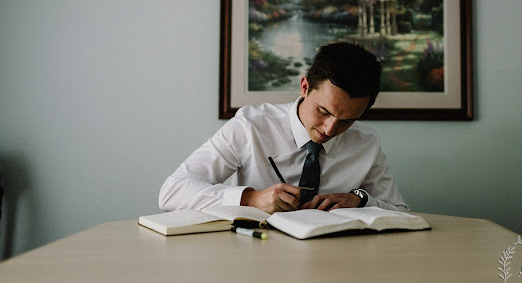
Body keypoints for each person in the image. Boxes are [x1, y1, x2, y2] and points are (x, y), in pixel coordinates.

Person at [159, 42, 409, 214]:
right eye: (323, 111)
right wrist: (250, 199)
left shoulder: (366, 142)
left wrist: (360, 199)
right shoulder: (251, 126)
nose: (330, 128)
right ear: (304, 87)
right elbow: (173, 191)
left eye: (347, 120)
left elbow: (401, 212)